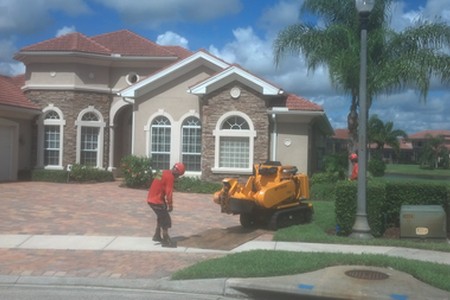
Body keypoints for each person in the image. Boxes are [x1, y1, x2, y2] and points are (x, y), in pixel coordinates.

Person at [147, 162, 185, 248]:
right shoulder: (170, 177)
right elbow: (169, 193)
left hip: (151, 198)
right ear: (177, 172)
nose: (177, 177)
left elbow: (155, 182)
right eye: (178, 175)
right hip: (156, 200)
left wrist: (163, 201)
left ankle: (157, 235)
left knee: (161, 216)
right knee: (166, 219)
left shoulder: (162, 172)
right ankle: (165, 240)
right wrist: (170, 205)